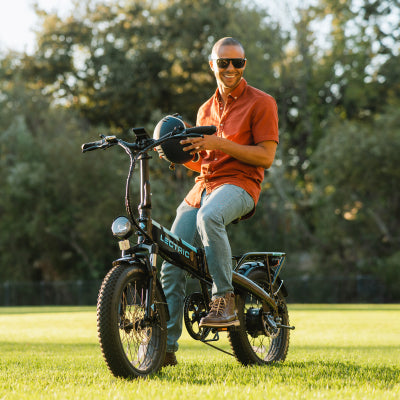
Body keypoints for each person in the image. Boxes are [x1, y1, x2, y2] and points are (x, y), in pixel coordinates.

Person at [160, 37, 279, 367]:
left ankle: (223, 298)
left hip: (240, 186)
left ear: (244, 65)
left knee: (209, 217)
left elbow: (266, 157)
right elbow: (206, 164)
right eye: (223, 62)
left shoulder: (262, 103)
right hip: (203, 187)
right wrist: (180, 157)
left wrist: (218, 142)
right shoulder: (205, 109)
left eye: (237, 63)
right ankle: (165, 350)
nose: (230, 69)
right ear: (212, 65)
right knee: (170, 257)